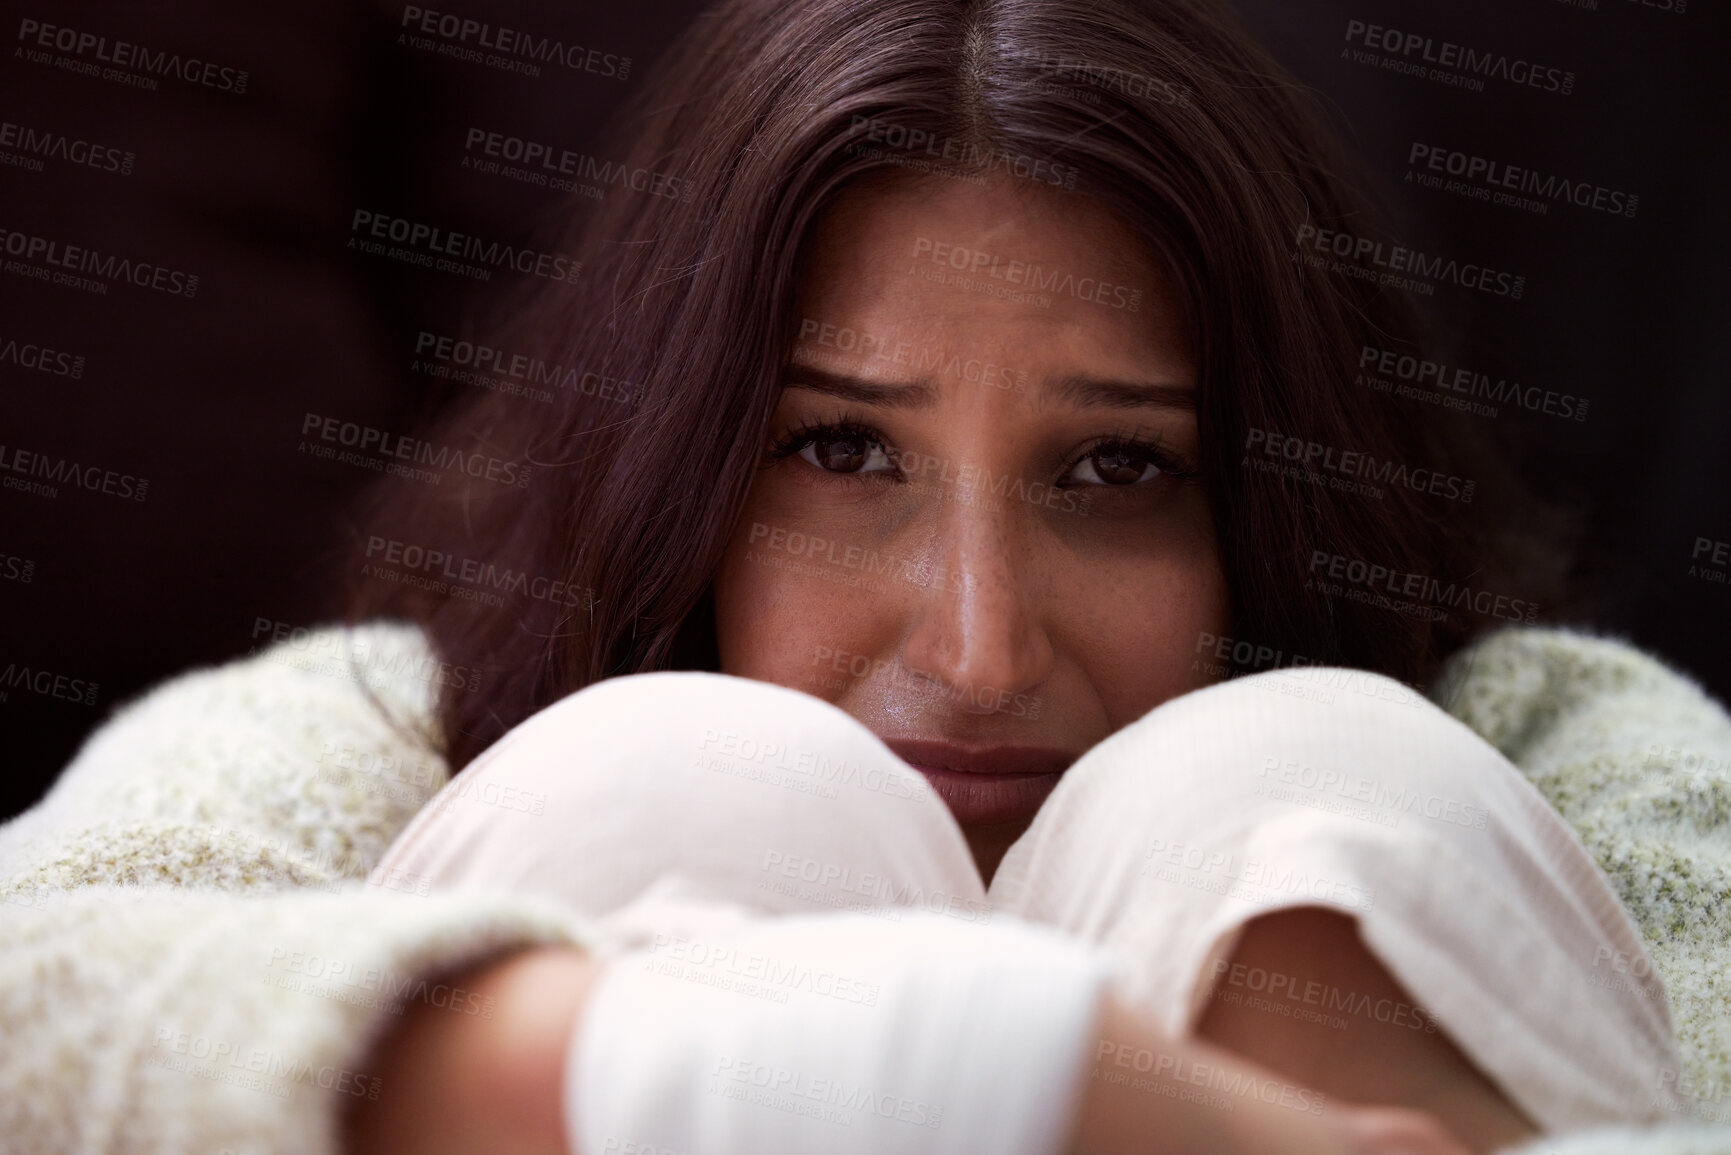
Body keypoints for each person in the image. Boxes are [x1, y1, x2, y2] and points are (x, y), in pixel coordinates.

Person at [4, 0, 1729, 1153]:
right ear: (675, 455)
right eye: (839, 452)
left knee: (1325, 785)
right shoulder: (386, 715)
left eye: (1118, 469)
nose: (976, 649)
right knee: (674, 780)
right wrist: (1024, 1084)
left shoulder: (1558, 728)